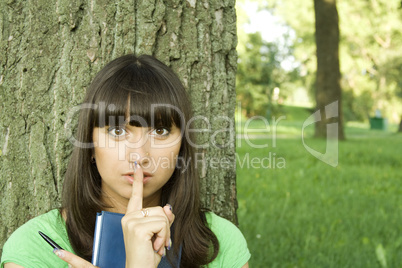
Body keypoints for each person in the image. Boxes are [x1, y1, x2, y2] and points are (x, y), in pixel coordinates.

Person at [1, 55, 250, 268]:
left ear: (182, 147)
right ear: (89, 144)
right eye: (118, 131)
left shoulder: (218, 242)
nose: (139, 156)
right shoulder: (35, 247)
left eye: (161, 131)